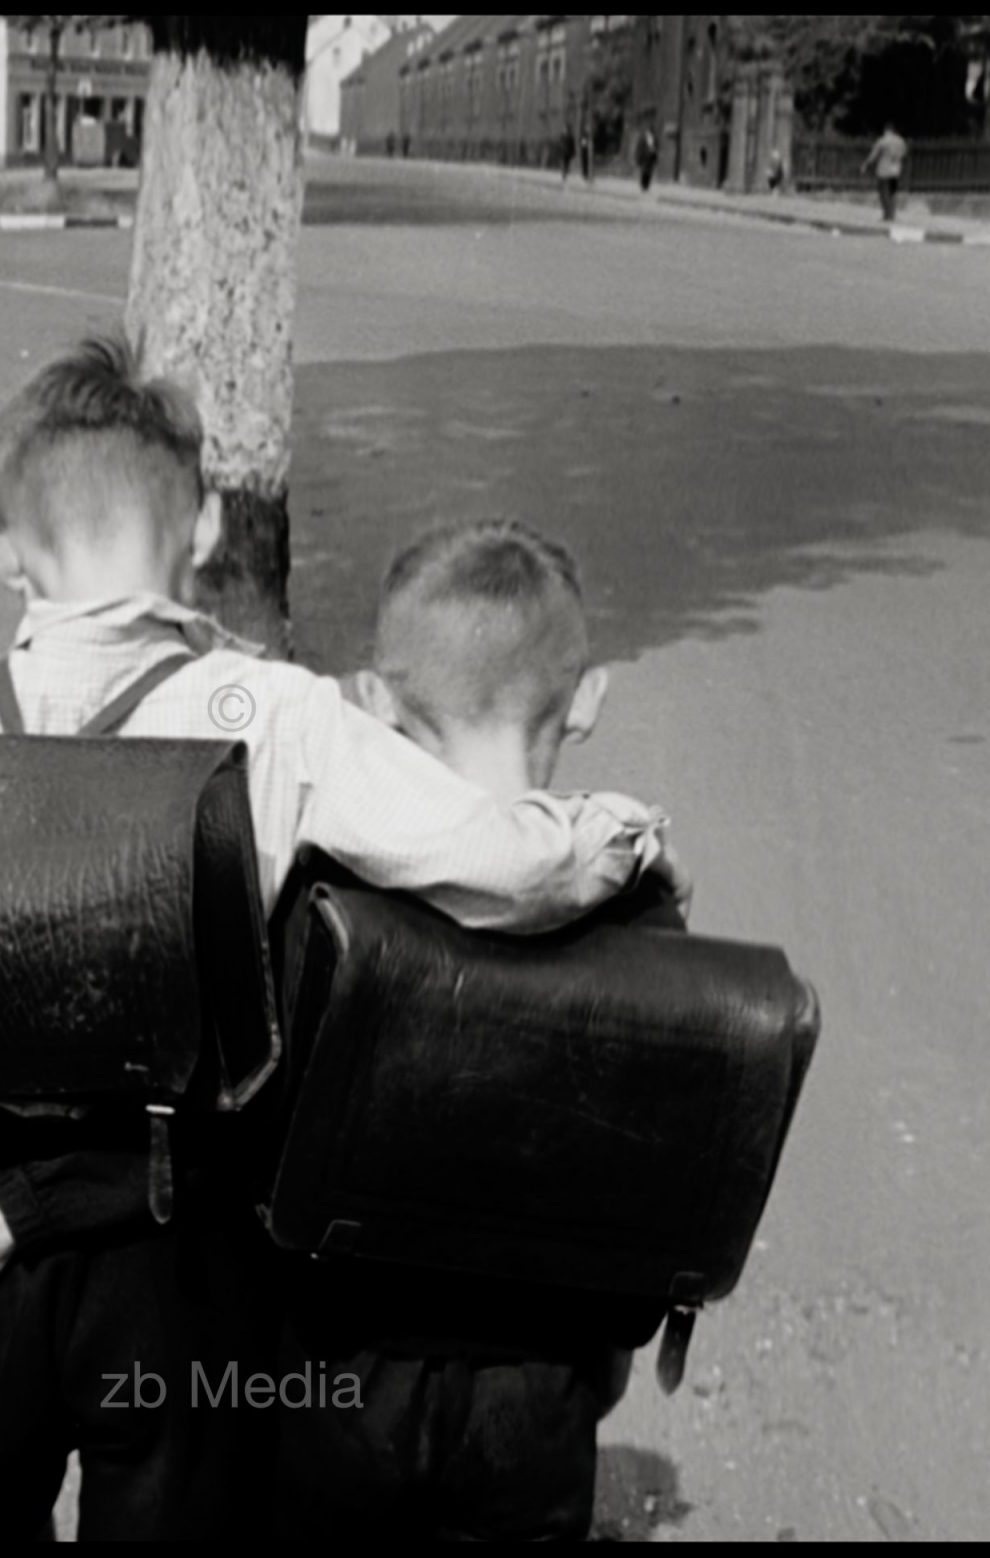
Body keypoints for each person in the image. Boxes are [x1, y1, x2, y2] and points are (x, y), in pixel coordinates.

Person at [0, 263, 689, 1541]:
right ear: (200, 535)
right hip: (177, 1223)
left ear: (0, 550)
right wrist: (616, 835)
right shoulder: (282, 718)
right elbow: (504, 867)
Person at [270, 520, 687, 1541]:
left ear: (374, 699)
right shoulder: (641, 915)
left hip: (330, 1367)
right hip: (535, 1385)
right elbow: (640, 1178)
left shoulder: (327, 893)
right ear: (584, 700)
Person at [862, 120, 909, 222]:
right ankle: (892, 215)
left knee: (883, 193)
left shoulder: (882, 141)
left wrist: (866, 164)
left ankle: (886, 215)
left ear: (886, 130)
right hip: (896, 171)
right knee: (892, 193)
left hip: (883, 171)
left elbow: (874, 155)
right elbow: (904, 153)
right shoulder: (900, 141)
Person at [635, 125, 659, 192]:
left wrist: (655, 157)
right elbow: (640, 148)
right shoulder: (643, 138)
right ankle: (643, 185)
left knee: (649, 173)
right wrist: (639, 158)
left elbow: (656, 149)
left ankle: (646, 186)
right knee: (644, 172)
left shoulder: (655, 139)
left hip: (650, 158)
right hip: (645, 158)